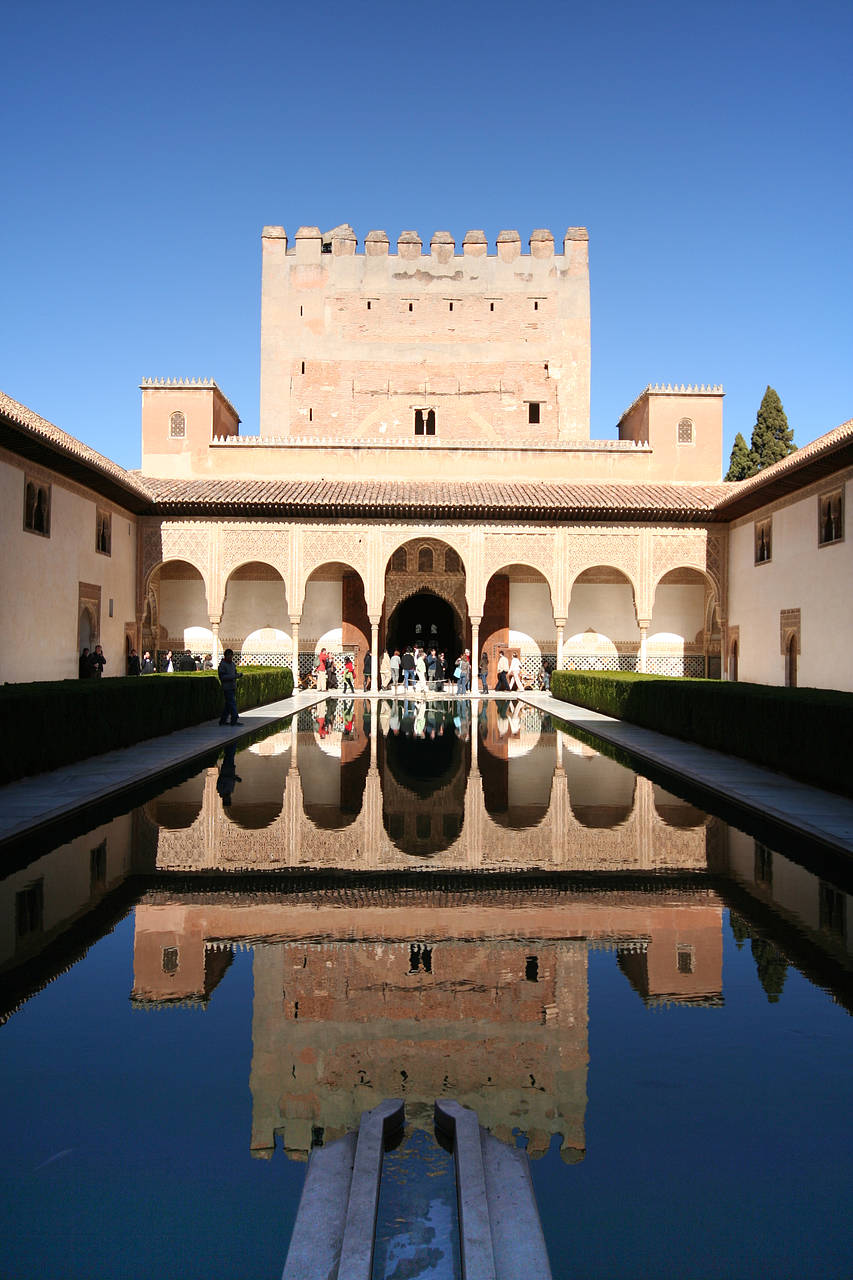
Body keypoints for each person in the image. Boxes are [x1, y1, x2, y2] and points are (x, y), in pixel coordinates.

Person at [217, 647, 243, 726]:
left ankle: (223, 720)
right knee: (232, 703)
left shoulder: (232, 664)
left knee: (228, 705)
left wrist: (237, 675)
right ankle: (234, 719)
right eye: (229, 656)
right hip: (227, 687)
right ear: (225, 656)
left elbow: (234, 674)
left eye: (231, 656)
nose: (230, 658)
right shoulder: (222, 665)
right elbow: (223, 677)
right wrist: (234, 676)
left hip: (232, 687)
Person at [216, 743, 242, 809]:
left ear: (225, 800)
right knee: (230, 755)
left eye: (228, 800)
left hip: (226, 769)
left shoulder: (221, 790)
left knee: (229, 755)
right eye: (230, 799)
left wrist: (233, 778)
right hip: (231, 769)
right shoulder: (230, 791)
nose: (229, 798)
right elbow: (231, 780)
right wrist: (235, 778)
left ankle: (231, 743)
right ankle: (230, 744)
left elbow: (221, 779)